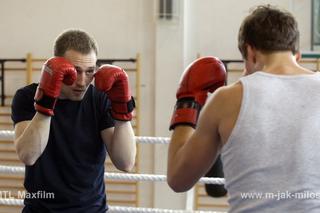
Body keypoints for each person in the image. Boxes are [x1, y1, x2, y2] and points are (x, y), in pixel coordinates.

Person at [167, 5, 320, 212]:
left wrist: (187, 103)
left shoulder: (227, 99)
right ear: (298, 55)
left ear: (250, 52)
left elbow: (178, 179)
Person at [11, 29, 136, 213]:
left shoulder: (99, 99)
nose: (82, 81)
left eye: (90, 71)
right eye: (75, 71)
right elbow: (28, 155)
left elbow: (125, 163)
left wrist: (122, 109)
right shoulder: (27, 97)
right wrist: (47, 100)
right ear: (58, 66)